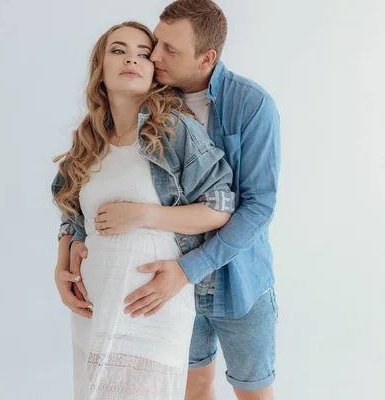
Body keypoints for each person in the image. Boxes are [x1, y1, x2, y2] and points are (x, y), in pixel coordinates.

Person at [60, 1, 281, 399]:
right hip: (162, 285)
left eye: (167, 51)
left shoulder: (250, 105)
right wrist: (75, 239)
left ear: (206, 58)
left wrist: (185, 267)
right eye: (154, 44)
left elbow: (255, 206)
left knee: (253, 390)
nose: (153, 56)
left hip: (235, 279)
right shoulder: (150, 103)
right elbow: (85, 188)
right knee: (191, 387)